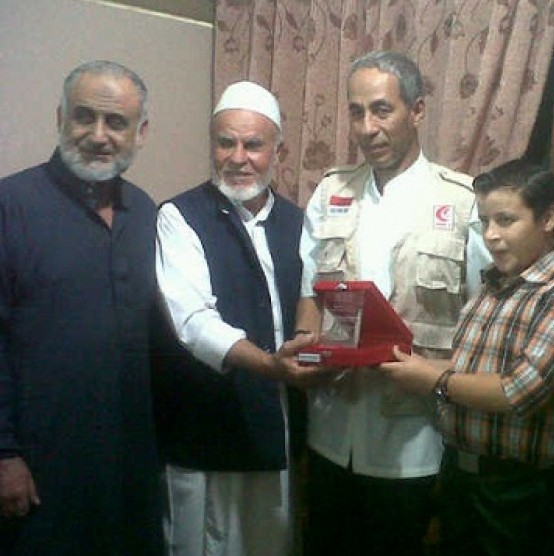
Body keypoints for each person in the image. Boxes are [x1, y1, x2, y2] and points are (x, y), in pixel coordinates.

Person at [295, 50, 491, 556]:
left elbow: (481, 318)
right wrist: (303, 342)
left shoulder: (463, 201)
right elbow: (309, 287)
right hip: (333, 428)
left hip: (415, 437)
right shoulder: (332, 192)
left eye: (382, 110)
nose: (367, 127)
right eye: (357, 111)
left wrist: (444, 376)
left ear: (417, 111)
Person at [379, 159, 554, 555]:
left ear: (548, 217)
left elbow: (519, 391)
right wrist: (413, 364)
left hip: (521, 492)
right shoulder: (492, 288)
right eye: (485, 222)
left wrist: (432, 380)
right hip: (461, 481)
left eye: (506, 220)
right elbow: (471, 371)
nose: (492, 236)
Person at [0, 60, 162, 555]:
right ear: (59, 117)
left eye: (115, 122)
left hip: (128, 464)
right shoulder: (11, 204)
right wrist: (3, 453)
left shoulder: (147, 212)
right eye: (83, 117)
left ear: (140, 132)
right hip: (40, 464)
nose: (98, 135)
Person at [154, 81, 318, 556]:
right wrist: (272, 367)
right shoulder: (179, 217)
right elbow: (194, 322)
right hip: (206, 423)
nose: (238, 157)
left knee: (272, 543)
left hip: (277, 424)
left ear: (278, 151)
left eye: (253, 144)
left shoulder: (300, 222)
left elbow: (313, 301)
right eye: (226, 142)